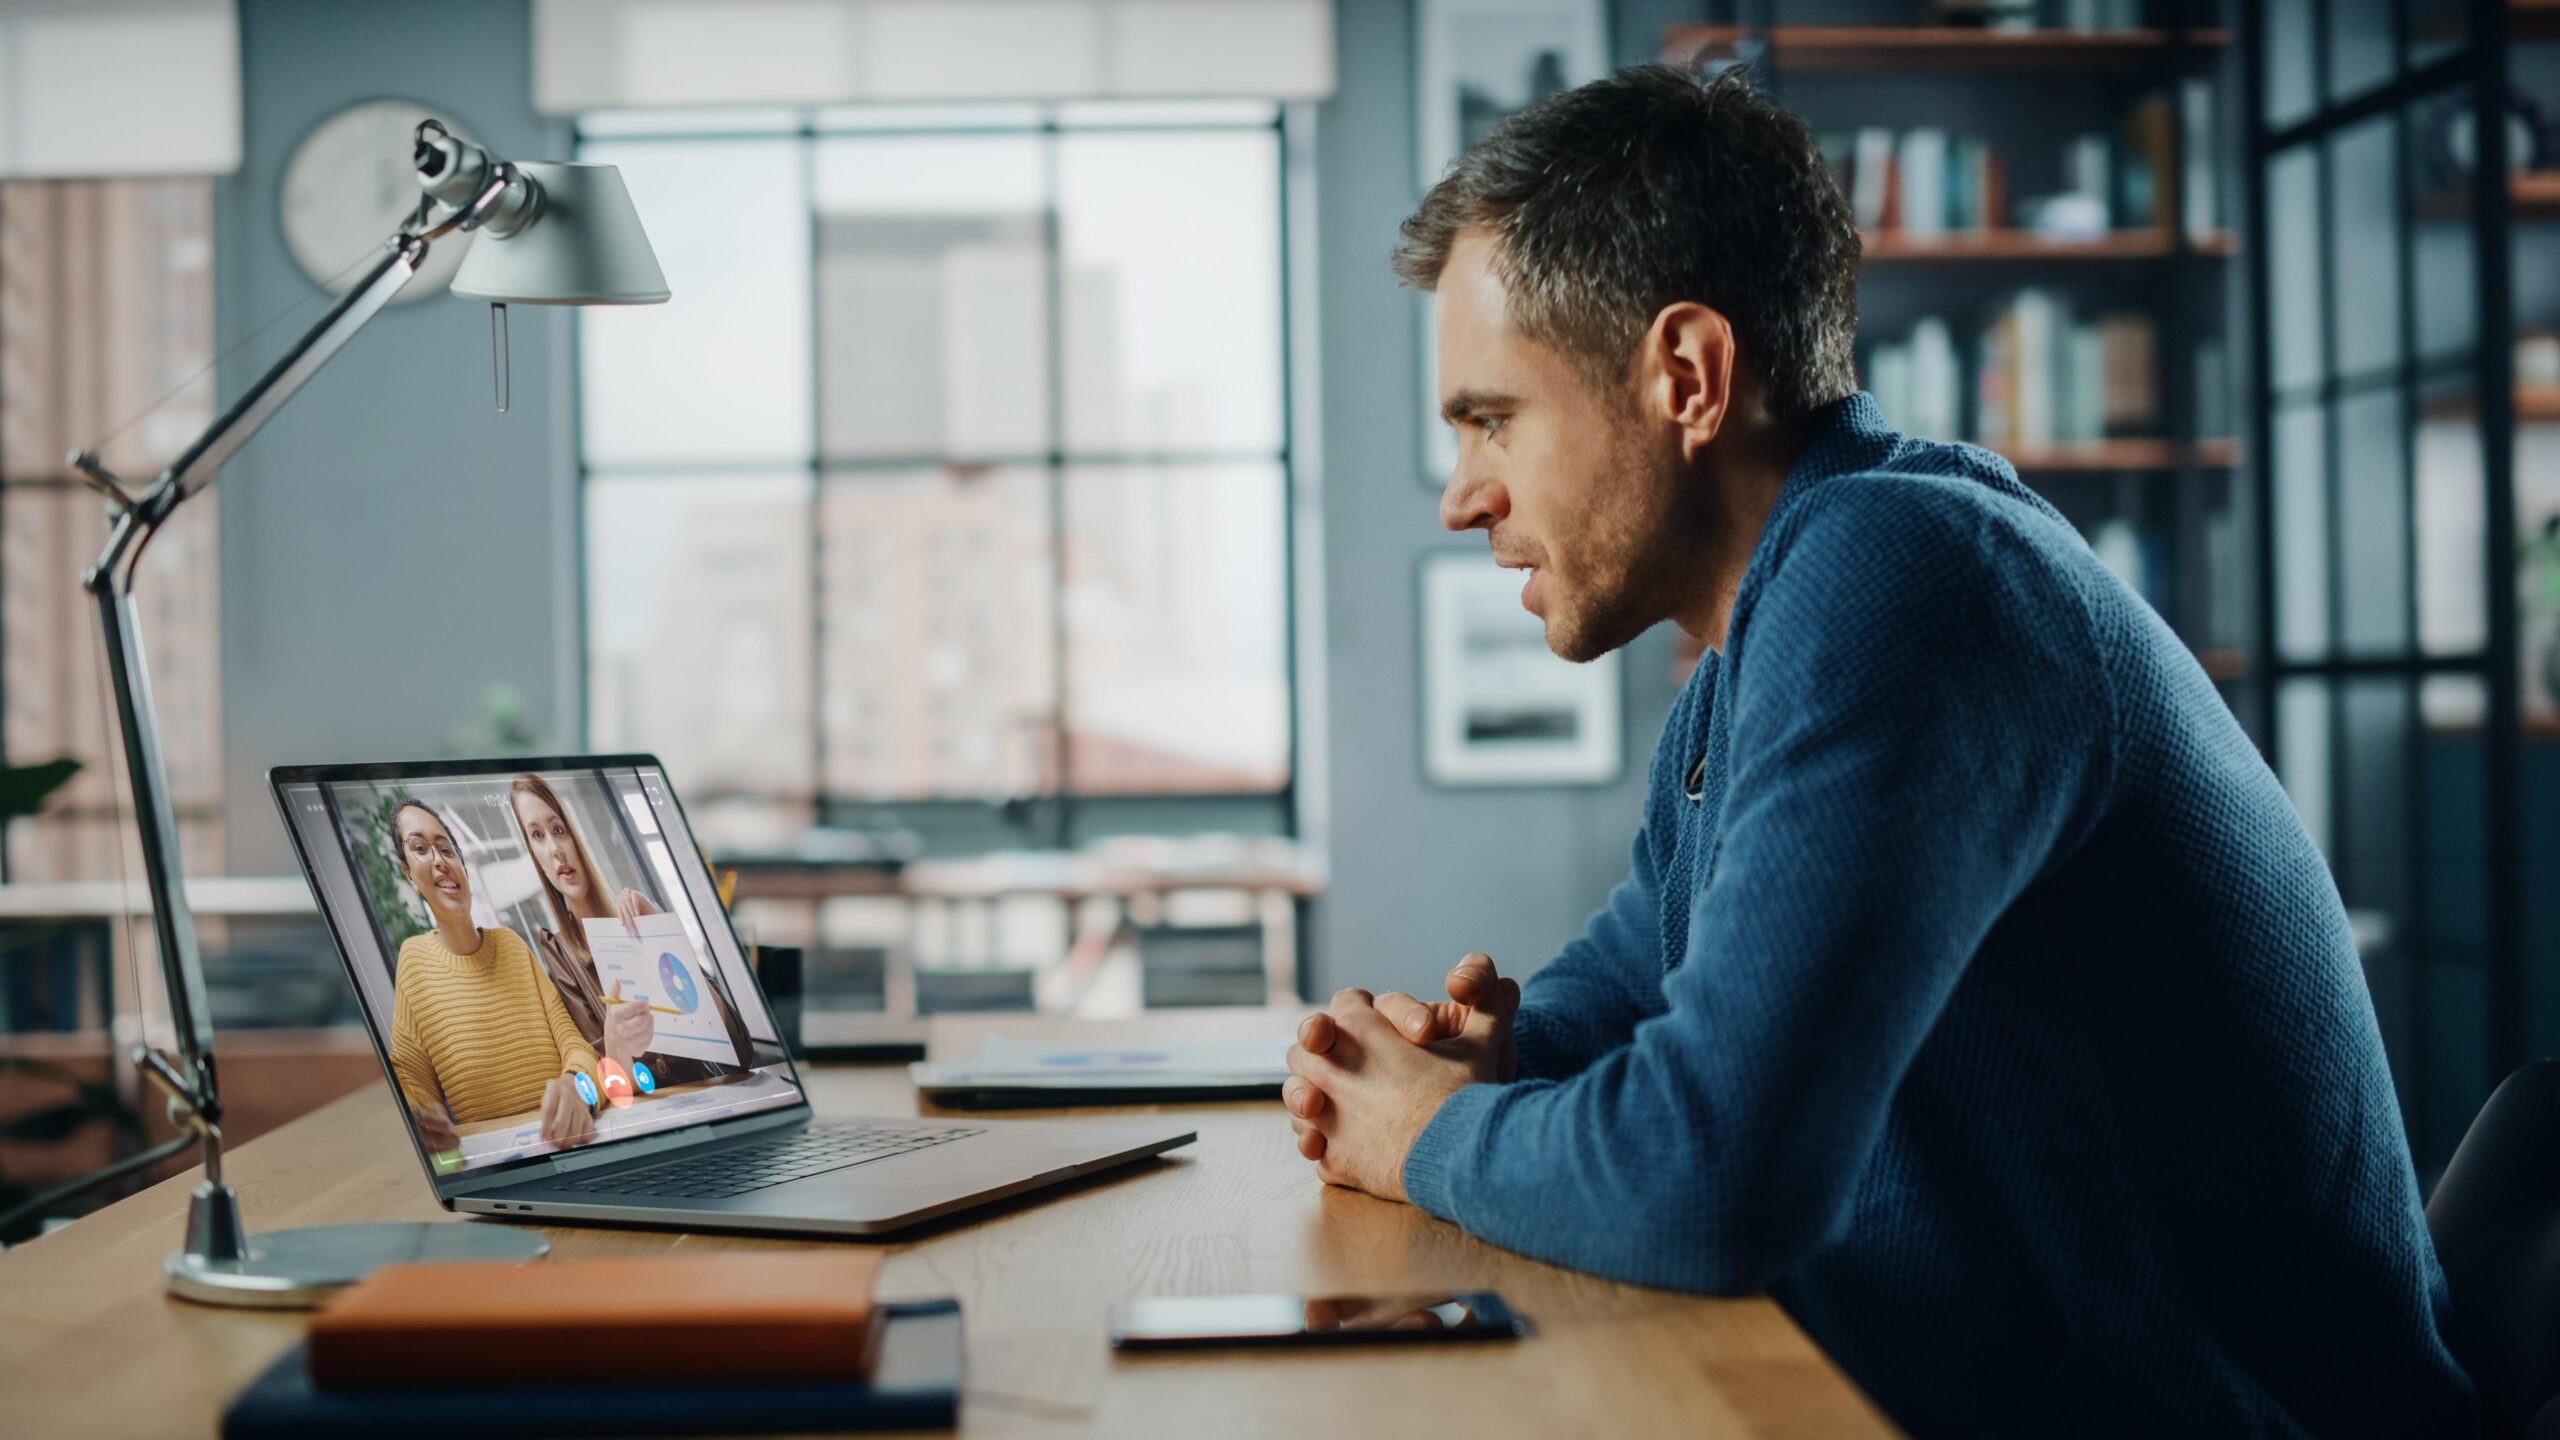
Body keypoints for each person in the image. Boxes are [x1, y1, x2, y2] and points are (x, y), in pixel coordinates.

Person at [1279, 66, 2475, 1436]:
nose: (1461, 497)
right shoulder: (1764, 645)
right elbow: (1628, 995)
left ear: (1685, 374)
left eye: (1493, 418)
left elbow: (1717, 1178)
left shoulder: (1902, 577)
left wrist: (1424, 1134)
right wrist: (1468, 1058)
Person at [382, 799, 600, 1155]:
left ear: (463, 868)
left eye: (446, 849)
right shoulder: (415, 961)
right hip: (501, 1164)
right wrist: (420, 1115)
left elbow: (576, 1048)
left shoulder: (511, 946)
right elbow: (410, 1075)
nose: (439, 860)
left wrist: (577, 1087)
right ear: (409, 875)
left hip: (571, 1144)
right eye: (420, 849)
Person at [506, 772, 752, 1087]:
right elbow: (611, 1080)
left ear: (576, 835)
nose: (555, 849)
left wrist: (668, 939)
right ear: (535, 858)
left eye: (558, 829)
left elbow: (741, 1052)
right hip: (653, 1115)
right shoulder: (560, 954)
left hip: (712, 1097)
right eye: (538, 836)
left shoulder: (640, 913)